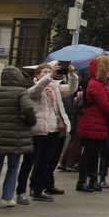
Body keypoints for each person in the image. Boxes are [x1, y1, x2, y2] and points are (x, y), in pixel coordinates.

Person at [0, 66, 40, 210]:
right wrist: (30, 122)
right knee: (13, 167)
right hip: (16, 135)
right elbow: (27, 109)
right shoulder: (21, 92)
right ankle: (7, 197)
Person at [28, 62, 77, 201]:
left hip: (56, 127)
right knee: (40, 160)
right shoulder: (34, 88)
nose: (47, 74)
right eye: (43, 72)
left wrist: (71, 74)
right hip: (42, 129)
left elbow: (70, 89)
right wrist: (50, 75)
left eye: (48, 72)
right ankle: (36, 188)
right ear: (37, 75)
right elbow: (37, 89)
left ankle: (47, 184)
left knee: (51, 160)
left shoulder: (54, 87)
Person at [76, 57, 109, 192]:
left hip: (97, 123)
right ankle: (83, 181)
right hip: (93, 123)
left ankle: (92, 180)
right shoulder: (96, 84)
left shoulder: (99, 83)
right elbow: (104, 104)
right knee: (89, 154)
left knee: (93, 154)